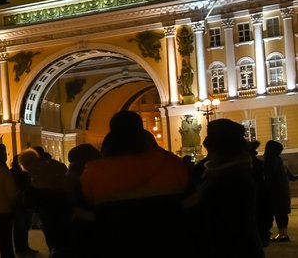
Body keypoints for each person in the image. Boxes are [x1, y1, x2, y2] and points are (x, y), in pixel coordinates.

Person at [79, 111, 190, 258]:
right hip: (168, 244)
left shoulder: (94, 171)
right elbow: (192, 209)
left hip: (116, 246)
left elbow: (85, 219)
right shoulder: (171, 163)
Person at [183, 118, 263, 258]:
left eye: (210, 148)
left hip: (231, 249)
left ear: (218, 149)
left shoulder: (229, 177)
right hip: (241, 246)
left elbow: (219, 221)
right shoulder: (230, 171)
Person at [18, 147, 70, 257]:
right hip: (62, 200)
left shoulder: (34, 169)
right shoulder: (54, 164)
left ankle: (55, 250)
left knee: (50, 230)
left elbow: (36, 186)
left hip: (46, 203)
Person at [263, 139, 298, 242]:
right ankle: (284, 233)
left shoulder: (270, 160)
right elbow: (290, 176)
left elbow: (269, 177)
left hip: (276, 191)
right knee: (283, 212)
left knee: (278, 212)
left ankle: (282, 234)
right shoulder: (279, 160)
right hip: (283, 189)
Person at [10, 154, 38, 256]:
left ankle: (24, 246)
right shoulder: (16, 173)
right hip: (20, 203)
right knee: (20, 226)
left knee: (24, 226)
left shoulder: (20, 172)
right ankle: (21, 248)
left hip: (24, 202)